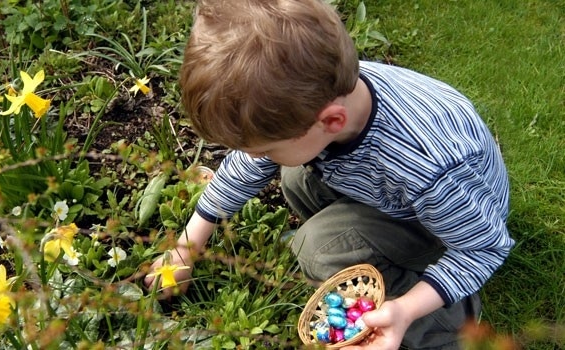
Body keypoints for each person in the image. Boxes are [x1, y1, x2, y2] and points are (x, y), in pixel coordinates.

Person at [144, 0, 514, 349]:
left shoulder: (426, 165)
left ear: (330, 121)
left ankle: (444, 325)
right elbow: (248, 165)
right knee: (295, 177)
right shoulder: (321, 97)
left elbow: (483, 248)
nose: (254, 157)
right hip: (396, 193)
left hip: (452, 227)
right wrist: (186, 247)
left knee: (316, 246)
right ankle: (353, 251)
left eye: (265, 148)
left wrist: (404, 310)